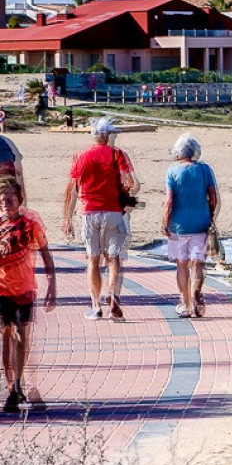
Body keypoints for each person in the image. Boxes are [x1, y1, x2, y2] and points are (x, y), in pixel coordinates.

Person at [64, 118, 137, 321]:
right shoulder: (117, 154)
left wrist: (67, 218)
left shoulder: (80, 156)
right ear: (106, 135)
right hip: (113, 211)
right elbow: (130, 182)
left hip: (89, 211)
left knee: (93, 259)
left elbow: (73, 190)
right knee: (113, 259)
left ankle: (96, 306)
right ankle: (113, 297)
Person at [0, 177, 56, 413]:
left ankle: (19, 383)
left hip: (24, 289)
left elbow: (45, 252)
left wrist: (52, 284)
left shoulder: (30, 223)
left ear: (19, 200)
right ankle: (10, 385)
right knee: (6, 335)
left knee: (22, 335)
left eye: (10, 200)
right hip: (2, 288)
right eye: (2, 201)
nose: (6, 205)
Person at [161, 134, 220, 318]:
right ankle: (196, 294)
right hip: (200, 223)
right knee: (198, 264)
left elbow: (169, 201)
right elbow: (213, 197)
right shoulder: (205, 169)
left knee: (182, 265)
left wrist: (165, 222)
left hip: (178, 226)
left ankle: (185, 303)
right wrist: (209, 214)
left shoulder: (172, 171)